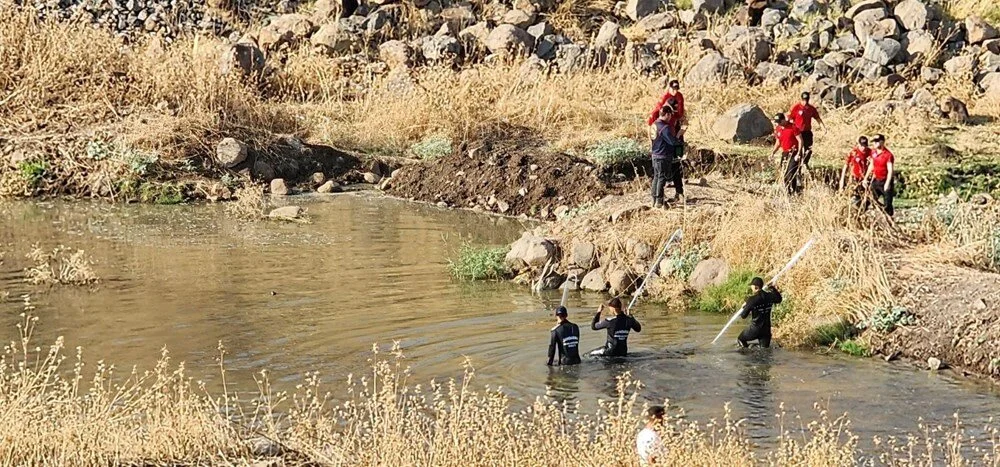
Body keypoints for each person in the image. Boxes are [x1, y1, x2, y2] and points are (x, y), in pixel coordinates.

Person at [650, 105, 683, 208]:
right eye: (670, 115)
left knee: (656, 177)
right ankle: (659, 201)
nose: (670, 118)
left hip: (655, 154)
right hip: (662, 155)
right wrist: (679, 135)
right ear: (667, 114)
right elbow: (672, 141)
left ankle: (654, 199)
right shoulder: (665, 127)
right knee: (661, 178)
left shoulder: (655, 124)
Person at [737, 277, 783, 348]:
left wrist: (745, 306)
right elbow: (779, 299)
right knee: (764, 351)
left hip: (754, 329)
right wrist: (772, 288)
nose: (751, 288)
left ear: (756, 287)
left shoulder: (752, 299)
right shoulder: (770, 296)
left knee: (740, 339)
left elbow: (743, 316)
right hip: (766, 330)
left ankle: (747, 354)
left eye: (751, 286)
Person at [770, 113, 804, 195]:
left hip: (794, 152)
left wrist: (798, 154)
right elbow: (778, 142)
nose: (778, 124)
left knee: (790, 172)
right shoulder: (778, 129)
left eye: (779, 122)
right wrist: (773, 153)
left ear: (784, 120)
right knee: (784, 173)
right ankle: (788, 192)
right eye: (777, 122)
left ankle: (793, 191)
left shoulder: (793, 127)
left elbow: (800, 141)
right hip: (785, 153)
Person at [863, 134, 895, 218]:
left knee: (888, 203)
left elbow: (890, 170)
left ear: (882, 142)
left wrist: (887, 183)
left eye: (877, 141)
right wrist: (865, 178)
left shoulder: (888, 155)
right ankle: (860, 215)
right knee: (869, 198)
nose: (875, 143)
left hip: (885, 180)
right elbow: (871, 165)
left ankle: (889, 219)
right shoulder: (873, 152)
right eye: (874, 142)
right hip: (876, 180)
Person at [788, 92, 824, 167]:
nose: (805, 102)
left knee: (808, 149)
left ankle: (805, 163)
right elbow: (789, 118)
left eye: (807, 100)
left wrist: (823, 127)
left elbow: (817, 118)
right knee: (798, 148)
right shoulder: (796, 107)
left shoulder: (811, 108)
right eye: (804, 100)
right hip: (798, 132)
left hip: (807, 131)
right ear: (801, 99)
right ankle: (796, 163)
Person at [839, 136, 872, 207]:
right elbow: (846, 166)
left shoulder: (870, 152)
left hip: (865, 177)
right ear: (858, 144)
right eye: (862, 145)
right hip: (855, 177)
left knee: (867, 197)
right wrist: (842, 180)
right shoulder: (853, 153)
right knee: (854, 195)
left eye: (865, 145)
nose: (863, 148)